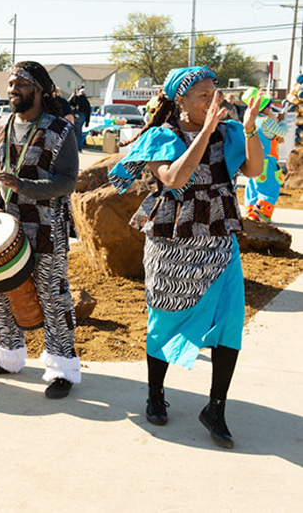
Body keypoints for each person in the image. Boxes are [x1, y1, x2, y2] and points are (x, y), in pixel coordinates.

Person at [108, 66, 264, 448]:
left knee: (229, 322)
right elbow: (176, 178)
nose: (214, 102)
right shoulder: (161, 136)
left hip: (218, 240)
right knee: (163, 320)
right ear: (181, 101)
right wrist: (205, 133)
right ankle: (156, 394)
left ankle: (216, 407)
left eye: (216, 95)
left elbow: (256, 169)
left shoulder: (228, 134)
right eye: (203, 97)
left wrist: (248, 128)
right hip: (172, 243)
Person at [0, 61, 81, 399]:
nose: (11, 90)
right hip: (2, 228)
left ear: (38, 88)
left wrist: (23, 186)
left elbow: (67, 181)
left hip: (47, 229)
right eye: (9, 84)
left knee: (52, 296)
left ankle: (62, 368)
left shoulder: (58, 130)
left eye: (19, 83)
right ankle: (7, 355)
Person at [243, 91, 288, 222]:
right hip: (267, 161)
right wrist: (282, 121)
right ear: (265, 108)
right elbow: (282, 132)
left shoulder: (250, 121)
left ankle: (251, 213)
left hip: (252, 159)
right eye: (270, 106)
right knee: (269, 187)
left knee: (253, 187)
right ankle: (261, 213)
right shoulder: (266, 121)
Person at [68, 85, 91, 151]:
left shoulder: (75, 98)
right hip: (82, 116)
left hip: (75, 115)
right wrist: (87, 122)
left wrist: (74, 112)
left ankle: (72, 147)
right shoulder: (86, 102)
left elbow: (69, 104)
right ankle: (78, 148)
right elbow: (88, 111)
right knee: (78, 132)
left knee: (72, 132)